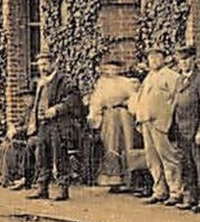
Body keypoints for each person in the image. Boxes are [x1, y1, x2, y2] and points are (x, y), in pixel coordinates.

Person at [24, 50, 84, 202]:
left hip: (59, 124)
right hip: (44, 124)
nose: (42, 68)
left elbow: (73, 99)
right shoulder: (41, 83)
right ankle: (42, 188)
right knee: (42, 156)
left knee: (60, 156)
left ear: (53, 63)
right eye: (39, 65)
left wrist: (57, 109)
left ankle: (63, 189)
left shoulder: (64, 81)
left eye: (45, 64)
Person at [131, 47, 183, 204]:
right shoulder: (148, 77)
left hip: (161, 123)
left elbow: (176, 100)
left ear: (164, 59)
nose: (153, 60)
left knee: (168, 157)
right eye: (150, 57)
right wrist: (139, 119)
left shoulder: (172, 76)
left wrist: (168, 121)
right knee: (152, 159)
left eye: (157, 57)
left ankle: (176, 191)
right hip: (147, 122)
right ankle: (159, 189)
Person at [171, 44, 200, 211]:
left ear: (194, 60)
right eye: (181, 60)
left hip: (195, 131)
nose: (184, 63)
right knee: (186, 166)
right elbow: (176, 105)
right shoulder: (179, 80)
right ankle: (190, 197)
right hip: (182, 130)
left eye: (187, 59)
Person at [86, 58, 137, 192]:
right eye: (109, 68)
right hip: (109, 116)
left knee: (126, 144)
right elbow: (96, 101)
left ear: (119, 70)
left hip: (124, 116)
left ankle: (129, 179)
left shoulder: (126, 82)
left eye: (115, 69)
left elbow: (134, 97)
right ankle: (113, 178)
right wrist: (94, 115)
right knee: (110, 144)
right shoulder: (102, 83)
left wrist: (129, 104)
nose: (112, 71)